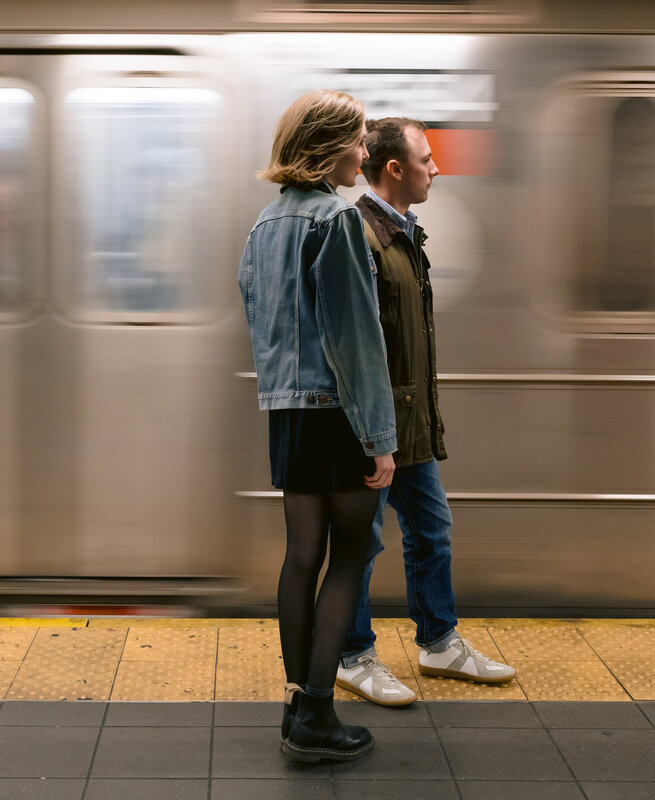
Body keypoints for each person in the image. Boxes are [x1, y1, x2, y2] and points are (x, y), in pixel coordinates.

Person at [238, 90, 397, 761]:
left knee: (302, 554)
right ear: (330, 146)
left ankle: (295, 703)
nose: (366, 153)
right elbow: (356, 339)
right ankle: (318, 715)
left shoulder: (263, 226)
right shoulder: (336, 220)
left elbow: (262, 322)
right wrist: (381, 439)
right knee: (353, 553)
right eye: (360, 141)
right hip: (338, 414)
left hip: (287, 414)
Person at [336, 117, 515, 707]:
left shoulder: (403, 234)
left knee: (431, 532)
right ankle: (352, 655)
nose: (436, 169)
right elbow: (358, 346)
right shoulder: (362, 238)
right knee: (362, 543)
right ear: (395, 168)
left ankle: (438, 641)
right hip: (375, 428)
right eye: (427, 158)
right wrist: (374, 433)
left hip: (408, 422)